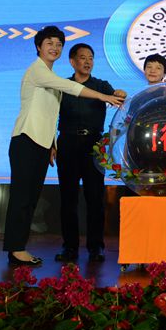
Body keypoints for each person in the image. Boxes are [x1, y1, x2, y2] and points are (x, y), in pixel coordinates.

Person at [4, 26, 124, 266]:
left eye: (59, 44)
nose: (55, 48)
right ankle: (16, 248)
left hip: (44, 144)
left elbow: (49, 116)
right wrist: (103, 97)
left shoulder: (51, 76)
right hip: (26, 140)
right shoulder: (39, 71)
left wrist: (51, 143)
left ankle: (19, 248)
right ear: (39, 46)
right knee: (23, 198)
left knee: (31, 198)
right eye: (49, 43)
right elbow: (70, 88)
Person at [54, 43, 127, 263]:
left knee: (95, 198)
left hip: (93, 145)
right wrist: (51, 144)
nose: (87, 62)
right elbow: (50, 116)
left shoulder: (100, 85)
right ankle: (70, 247)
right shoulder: (63, 86)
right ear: (72, 61)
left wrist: (120, 93)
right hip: (67, 143)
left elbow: (118, 96)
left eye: (91, 58)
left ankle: (96, 247)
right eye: (82, 57)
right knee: (68, 199)